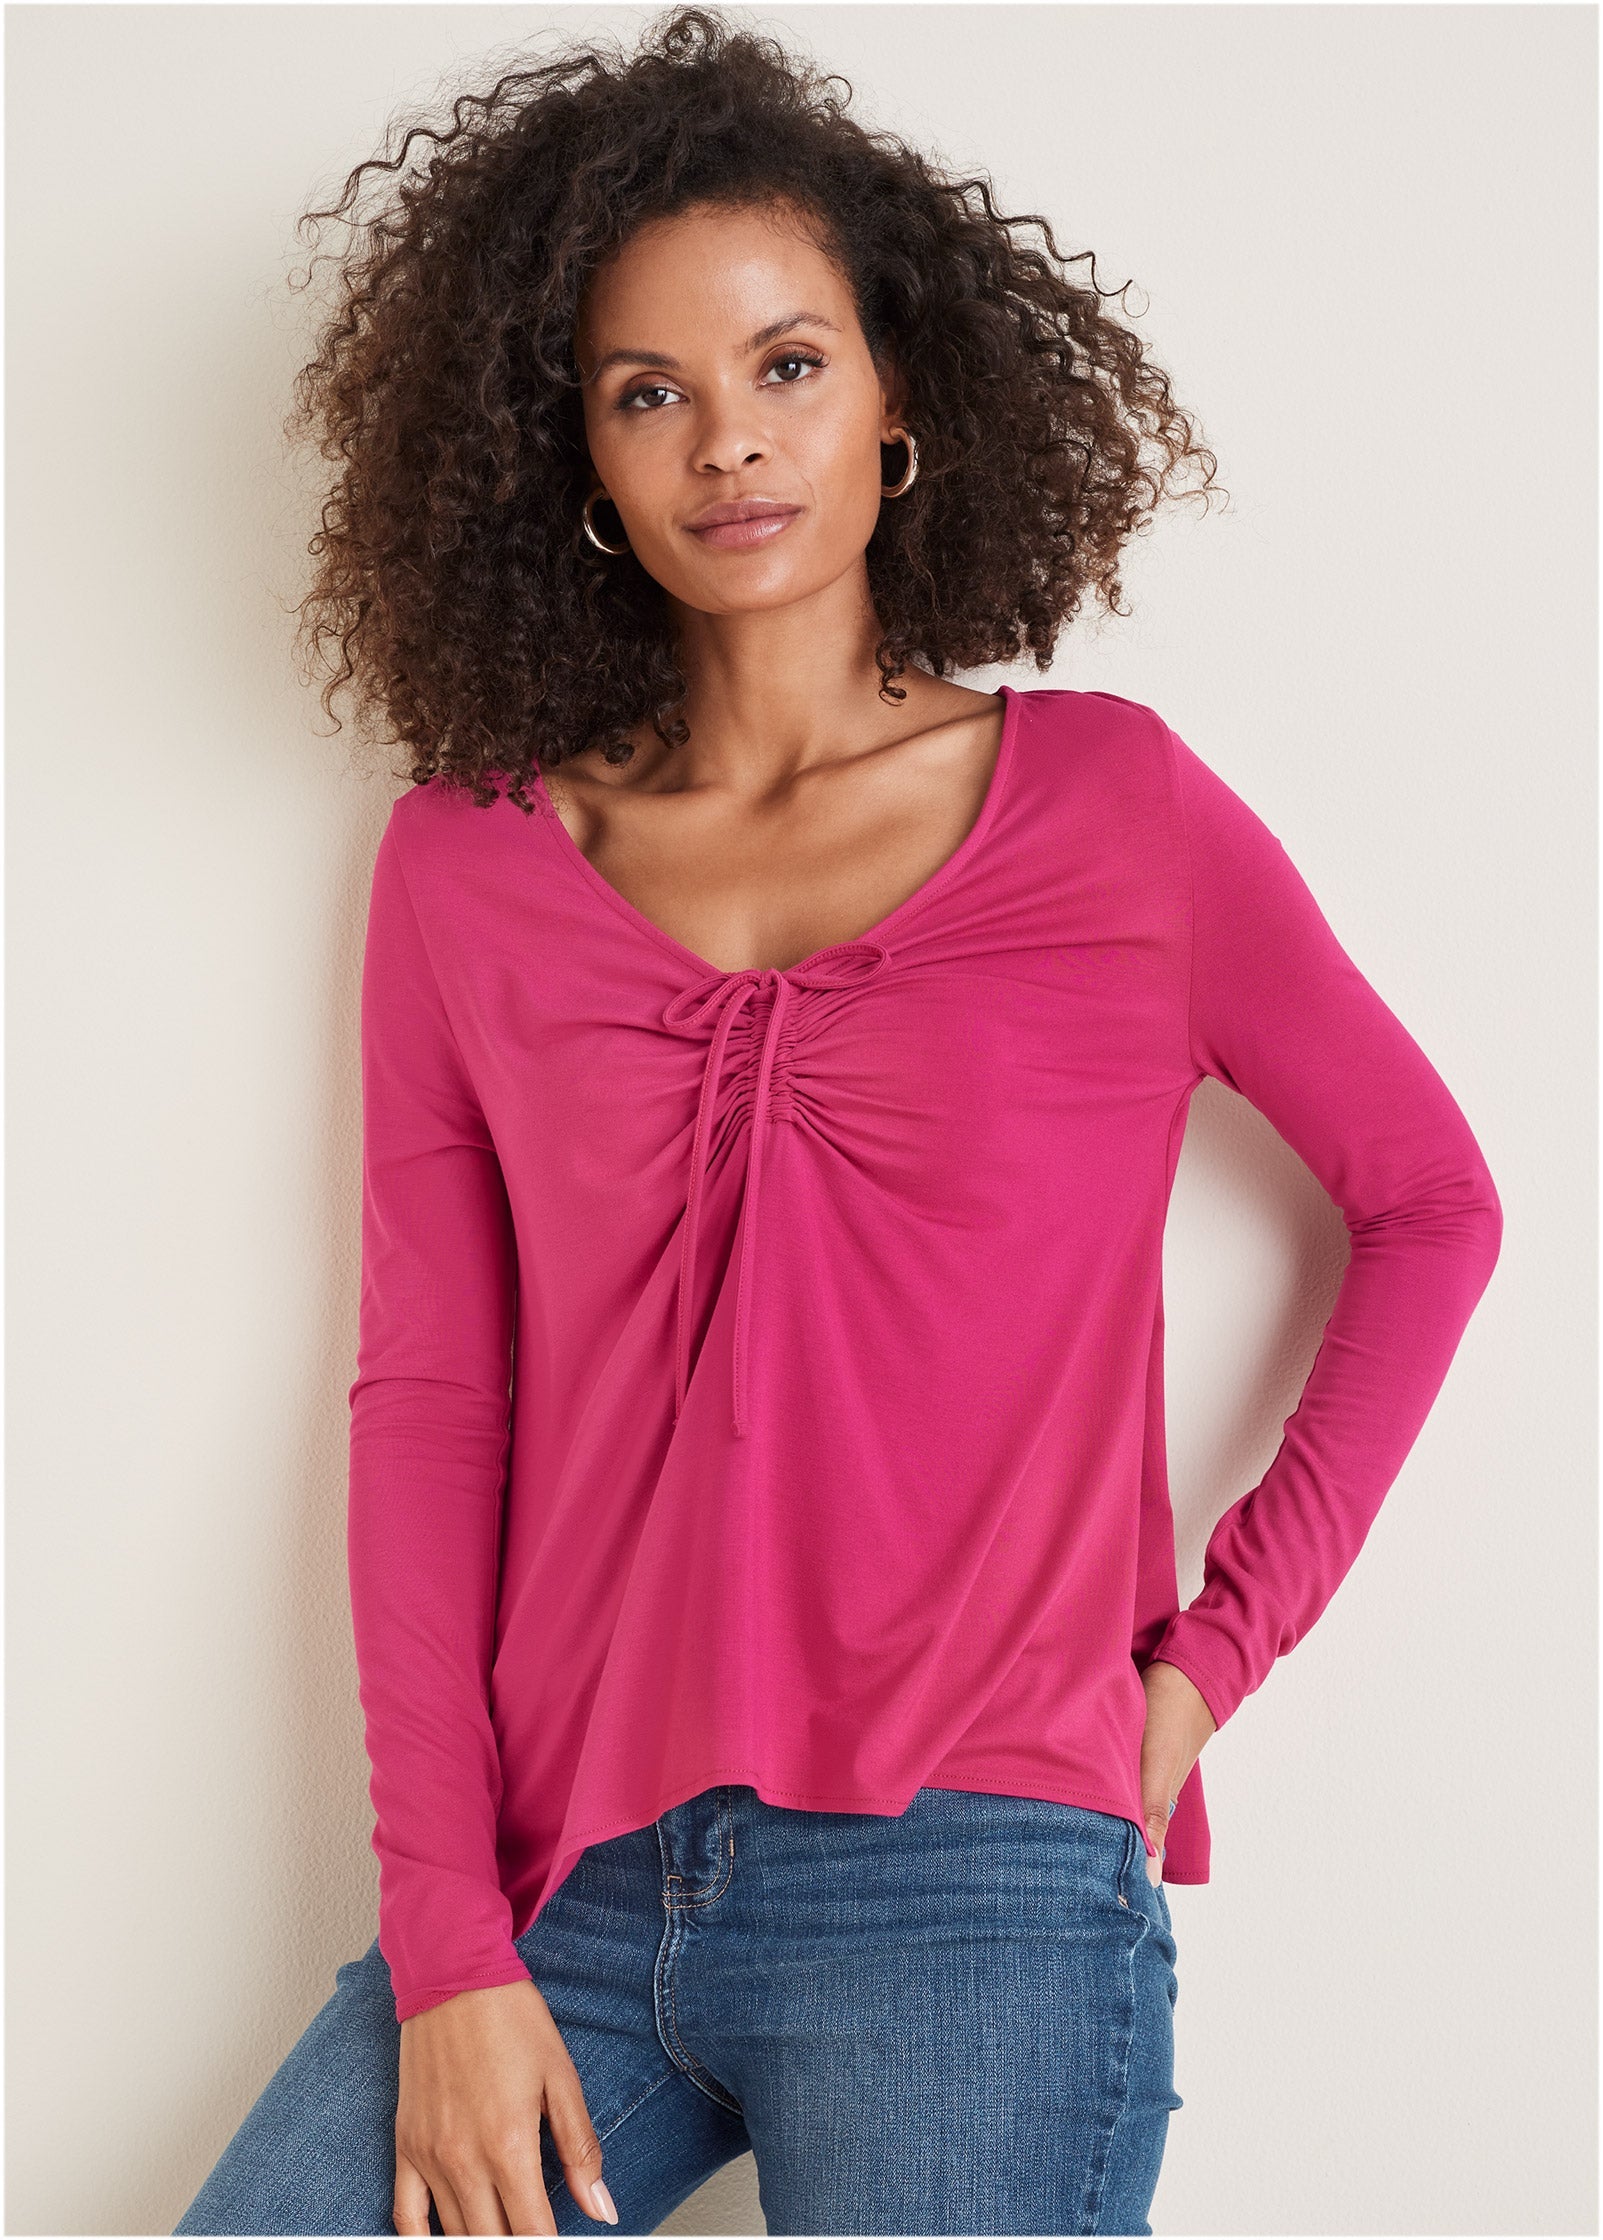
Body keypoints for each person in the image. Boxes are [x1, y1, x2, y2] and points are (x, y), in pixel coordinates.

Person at [172, 10, 1503, 2236]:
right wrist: (445, 1940)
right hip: (563, 1886)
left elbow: (1432, 1201)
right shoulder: (467, 864)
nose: (728, 442)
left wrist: (1207, 1665)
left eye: (786, 364)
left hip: (976, 1880)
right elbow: (432, 1403)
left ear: (901, 399)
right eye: (648, 391)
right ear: (575, 457)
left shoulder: (1118, 813)